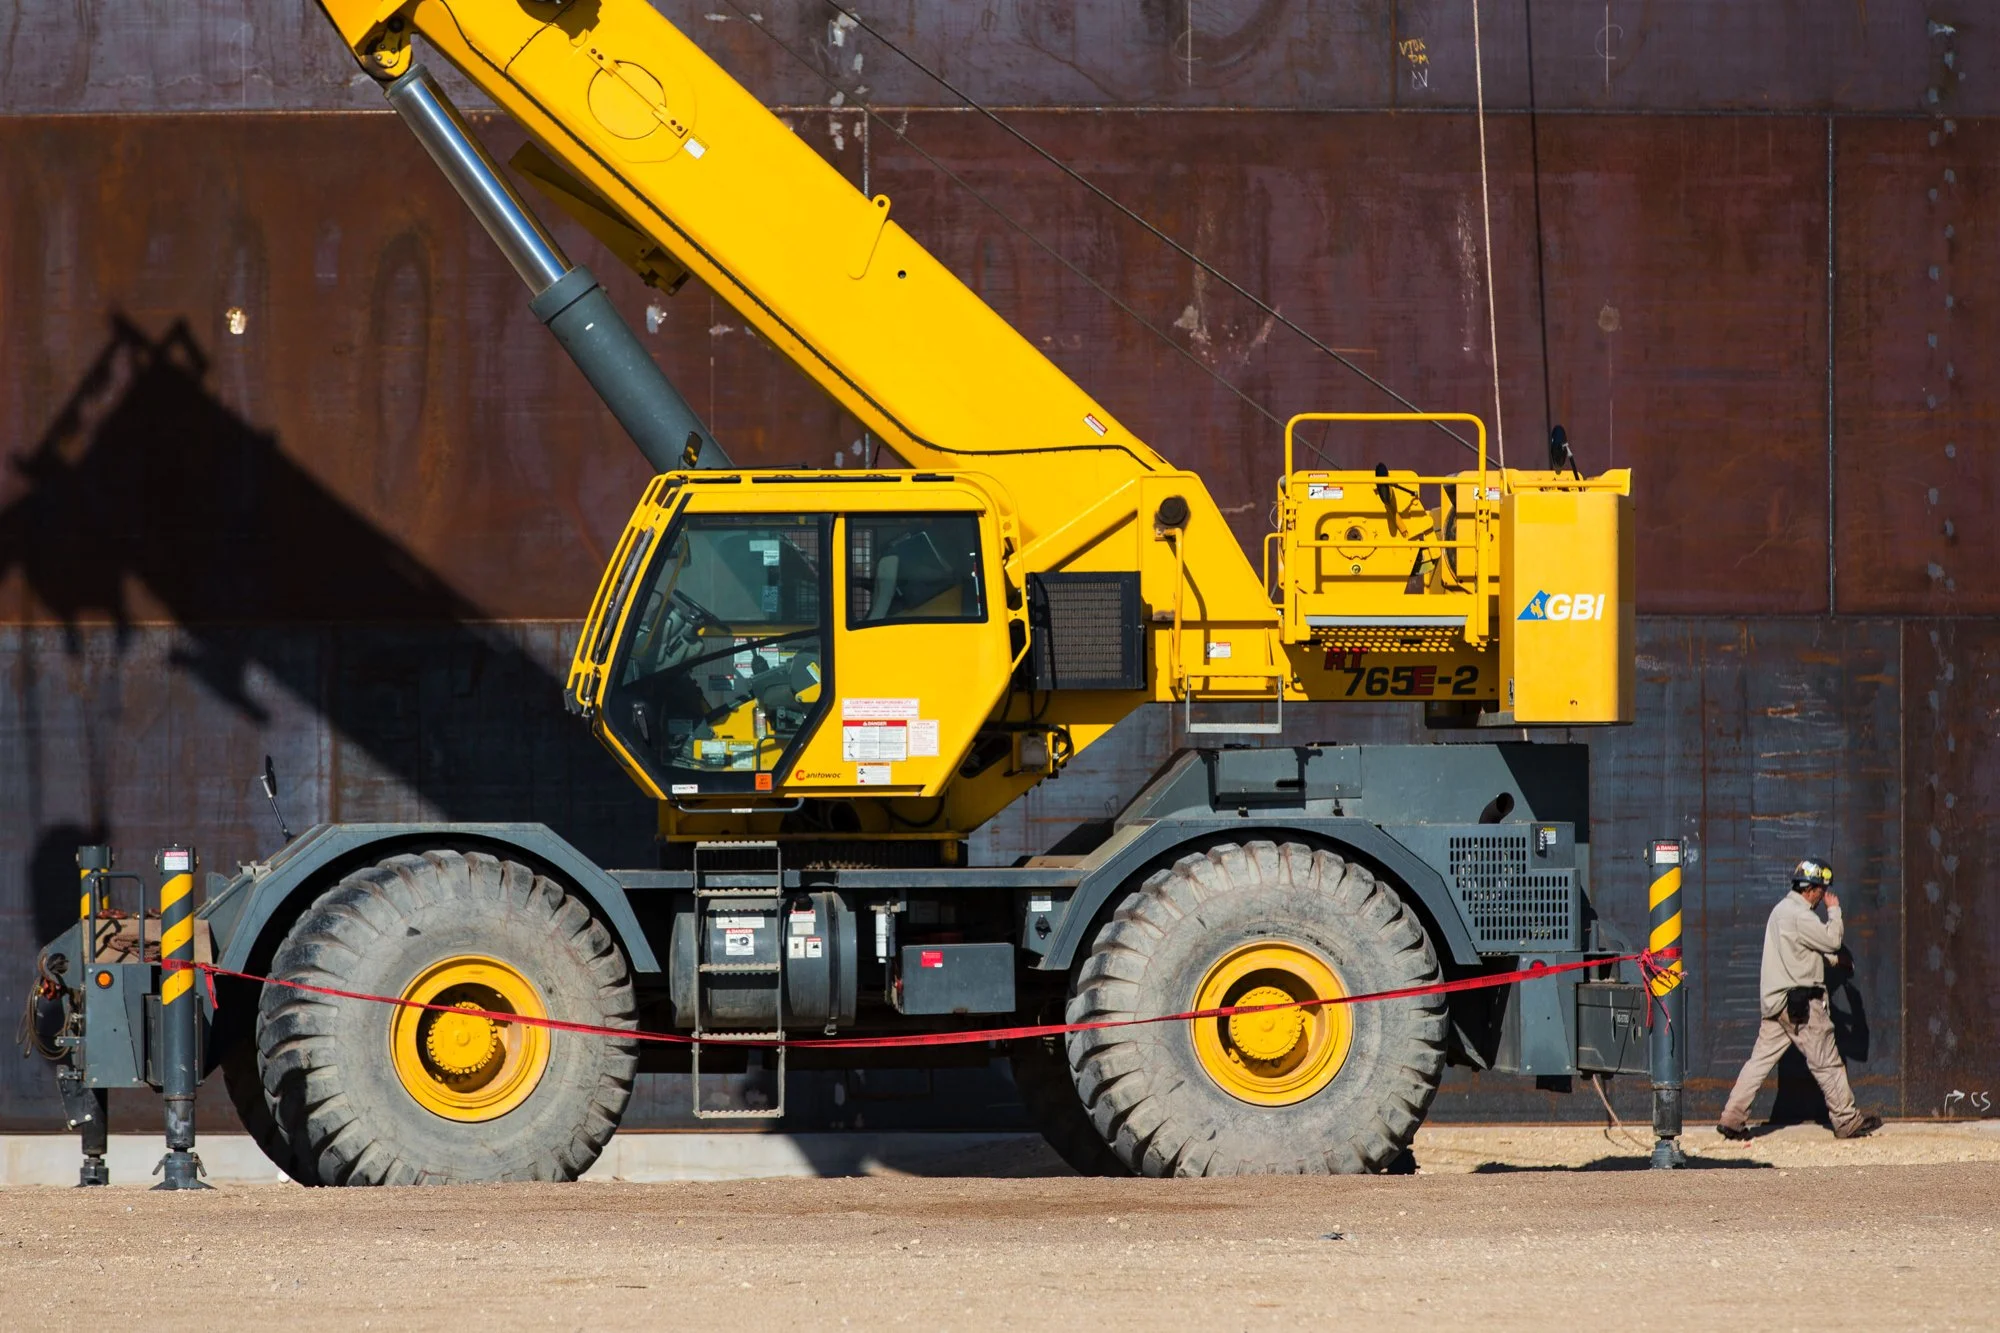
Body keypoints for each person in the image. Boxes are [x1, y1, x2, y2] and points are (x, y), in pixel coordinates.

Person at [1716, 858, 1883, 1141]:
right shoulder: (1802, 915)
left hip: (1776, 1004)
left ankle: (1732, 1118)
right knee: (1827, 1061)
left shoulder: (1780, 911)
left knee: (1758, 1063)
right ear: (1813, 889)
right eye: (1822, 891)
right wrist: (1835, 912)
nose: (1823, 896)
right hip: (1802, 1005)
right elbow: (1830, 940)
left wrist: (1830, 961)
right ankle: (1846, 1120)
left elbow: (1798, 948)